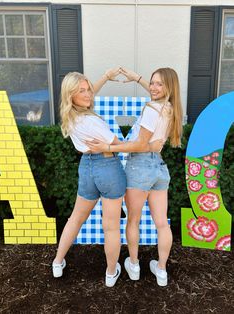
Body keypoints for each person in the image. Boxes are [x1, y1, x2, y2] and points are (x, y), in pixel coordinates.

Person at [52, 69, 162, 288]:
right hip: (108, 168)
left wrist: (105, 76)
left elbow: (90, 93)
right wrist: (146, 146)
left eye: (87, 89)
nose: (88, 94)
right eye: (81, 91)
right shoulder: (91, 122)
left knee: (75, 218)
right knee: (111, 227)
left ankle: (57, 262)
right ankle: (111, 273)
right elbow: (117, 144)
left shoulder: (71, 116)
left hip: (87, 168)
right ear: (70, 95)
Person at [87, 67, 183, 287]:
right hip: (159, 167)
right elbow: (150, 142)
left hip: (140, 167)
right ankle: (161, 270)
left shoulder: (151, 108)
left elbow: (140, 145)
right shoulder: (170, 107)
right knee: (162, 223)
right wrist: (137, 78)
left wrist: (108, 146)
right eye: (152, 82)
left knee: (133, 220)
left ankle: (134, 265)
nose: (153, 87)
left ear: (169, 87)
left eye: (159, 84)